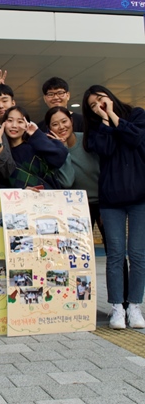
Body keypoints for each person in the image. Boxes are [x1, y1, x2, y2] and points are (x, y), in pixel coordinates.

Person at [46, 105, 129, 306]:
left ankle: (124, 304)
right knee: (74, 256)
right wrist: (62, 151)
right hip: (76, 208)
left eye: (64, 121)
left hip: (105, 202)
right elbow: (67, 181)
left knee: (116, 253)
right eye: (55, 124)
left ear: (71, 121)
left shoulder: (88, 140)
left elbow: (107, 169)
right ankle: (75, 304)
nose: (61, 127)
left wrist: (107, 204)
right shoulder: (52, 149)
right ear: (49, 128)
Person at [82, 85, 145, 329]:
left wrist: (113, 115)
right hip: (110, 199)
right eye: (92, 105)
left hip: (140, 196)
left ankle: (135, 306)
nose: (98, 105)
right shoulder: (96, 129)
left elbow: (136, 138)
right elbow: (105, 149)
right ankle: (117, 307)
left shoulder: (136, 114)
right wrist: (105, 120)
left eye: (101, 98)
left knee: (137, 253)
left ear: (110, 96)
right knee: (115, 254)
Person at [3, 105, 73, 190]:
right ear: (3, 123)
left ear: (27, 124)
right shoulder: (2, 152)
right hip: (18, 197)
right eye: (10, 120)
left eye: (20, 121)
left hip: (49, 195)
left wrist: (36, 133)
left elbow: (59, 157)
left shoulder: (36, 144)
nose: (14, 125)